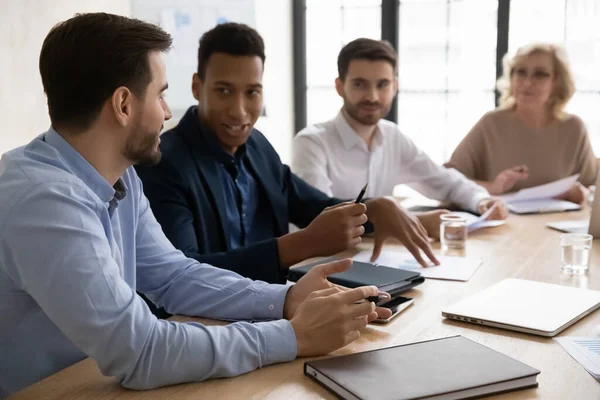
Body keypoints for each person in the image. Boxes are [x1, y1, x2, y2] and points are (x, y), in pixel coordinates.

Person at [0, 13, 393, 397]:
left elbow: (172, 275)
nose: (168, 111)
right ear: (123, 105)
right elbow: (141, 351)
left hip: (95, 382)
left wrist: (285, 300)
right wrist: (292, 336)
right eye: (161, 93)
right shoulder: (45, 199)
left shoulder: (121, 175)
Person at [136, 23, 439, 284]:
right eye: (224, 91)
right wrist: (299, 245)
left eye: (252, 92)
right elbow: (181, 276)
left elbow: (314, 207)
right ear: (196, 87)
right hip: (204, 328)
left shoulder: (258, 147)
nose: (240, 111)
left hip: (275, 311)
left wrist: (375, 209)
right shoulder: (163, 163)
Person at [291, 38, 507, 237]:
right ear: (340, 86)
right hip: (321, 262)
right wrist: (415, 222)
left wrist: (482, 200)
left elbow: (445, 182)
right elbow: (321, 218)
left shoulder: (392, 136)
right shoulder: (311, 143)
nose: (372, 96)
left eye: (382, 84)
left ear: (394, 86)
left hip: (374, 257)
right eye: (359, 84)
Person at [446, 42, 596, 203]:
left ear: (557, 82)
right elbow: (446, 181)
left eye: (540, 74)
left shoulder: (573, 128)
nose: (527, 82)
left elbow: (591, 188)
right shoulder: (491, 124)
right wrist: (492, 187)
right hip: (504, 225)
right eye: (520, 72)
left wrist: (582, 195)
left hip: (557, 225)